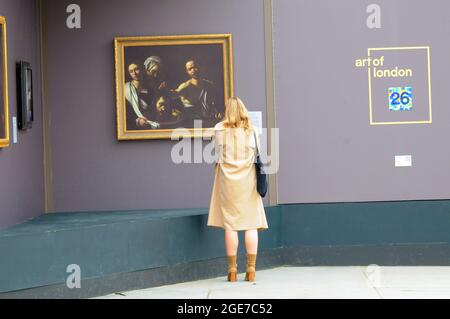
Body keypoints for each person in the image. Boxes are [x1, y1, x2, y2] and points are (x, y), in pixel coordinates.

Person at [207, 97, 268, 282]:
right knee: (250, 225)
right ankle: (251, 270)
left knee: (231, 226)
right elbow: (257, 153)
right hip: (248, 183)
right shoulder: (252, 130)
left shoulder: (218, 129)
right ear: (243, 110)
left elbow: (216, 152)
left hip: (227, 182)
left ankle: (232, 271)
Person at [175, 58, 222, 127]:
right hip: (194, 125)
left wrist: (218, 113)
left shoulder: (209, 85)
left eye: (195, 67)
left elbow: (216, 105)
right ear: (187, 72)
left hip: (210, 122)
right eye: (190, 69)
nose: (193, 70)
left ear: (201, 67)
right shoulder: (185, 86)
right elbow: (174, 94)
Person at [124, 62, 160, 130]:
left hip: (150, 123)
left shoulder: (150, 88)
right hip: (134, 127)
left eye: (136, 69)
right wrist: (138, 121)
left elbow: (154, 108)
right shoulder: (125, 89)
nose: (134, 73)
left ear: (143, 69)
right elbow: (125, 113)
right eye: (131, 71)